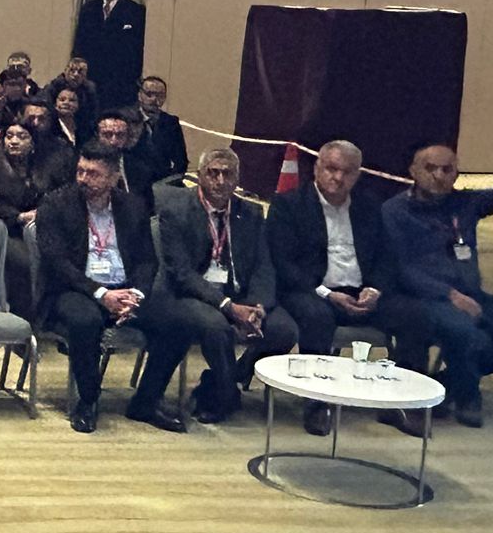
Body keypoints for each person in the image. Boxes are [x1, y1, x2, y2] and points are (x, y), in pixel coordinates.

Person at [267, 140, 428, 438]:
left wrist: (375, 289)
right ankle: (317, 404)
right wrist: (328, 294)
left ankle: (402, 402)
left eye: (347, 172)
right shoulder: (289, 205)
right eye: (331, 169)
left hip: (362, 292)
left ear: (357, 175)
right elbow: (283, 263)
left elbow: (387, 258)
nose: (338, 177)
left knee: (414, 315)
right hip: (313, 291)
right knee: (315, 316)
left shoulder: (370, 207)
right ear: (317, 168)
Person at [34, 144, 189, 434]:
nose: (83, 179)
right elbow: (57, 263)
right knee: (85, 321)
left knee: (178, 323)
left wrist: (136, 295)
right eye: (80, 171)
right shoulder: (55, 204)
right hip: (75, 289)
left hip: (124, 290)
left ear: (114, 177)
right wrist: (101, 294)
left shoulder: (133, 206)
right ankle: (88, 400)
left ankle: (146, 402)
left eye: (93, 174)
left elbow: (147, 260)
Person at [382, 142, 493, 428]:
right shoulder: (395, 211)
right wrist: (449, 294)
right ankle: (468, 398)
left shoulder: (465, 203)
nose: (439, 176)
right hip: (425, 297)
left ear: (456, 174)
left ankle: (444, 385)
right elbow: (400, 269)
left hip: (472, 294)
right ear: (413, 171)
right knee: (464, 331)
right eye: (430, 168)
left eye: (447, 169)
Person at [157, 147, 296, 422]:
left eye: (227, 174)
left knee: (284, 330)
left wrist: (257, 306)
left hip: (239, 293)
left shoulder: (251, 213)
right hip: (194, 295)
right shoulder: (176, 210)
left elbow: (263, 266)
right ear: (200, 176)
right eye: (213, 173)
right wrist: (228, 307)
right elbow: (182, 273)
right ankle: (225, 396)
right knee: (216, 327)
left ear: (237, 179)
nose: (220, 181)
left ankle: (224, 380)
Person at [0, 119, 43, 317]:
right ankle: (22, 318)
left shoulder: (41, 168)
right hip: (2, 229)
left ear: (32, 143)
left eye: (22, 137)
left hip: (38, 228)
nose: (14, 141)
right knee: (24, 262)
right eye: (9, 136)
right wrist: (18, 216)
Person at [72, 0, 144, 101]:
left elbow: (137, 57)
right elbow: (79, 50)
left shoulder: (137, 12)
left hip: (122, 92)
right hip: (89, 92)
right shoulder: (88, 10)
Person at [133, 76, 188, 184]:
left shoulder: (171, 123)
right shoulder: (127, 120)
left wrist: (170, 183)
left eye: (160, 95)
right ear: (140, 95)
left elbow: (181, 161)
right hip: (133, 182)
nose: (154, 99)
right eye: (149, 94)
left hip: (163, 182)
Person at [93, 110, 157, 201]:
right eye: (107, 135)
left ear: (127, 137)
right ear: (97, 135)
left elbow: (148, 205)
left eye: (120, 135)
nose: (113, 141)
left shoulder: (140, 169)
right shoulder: (82, 169)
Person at [50, 83, 86, 153]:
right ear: (55, 104)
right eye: (62, 100)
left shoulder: (83, 128)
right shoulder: (50, 126)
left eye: (72, 100)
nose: (66, 103)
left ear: (79, 104)